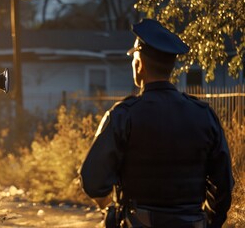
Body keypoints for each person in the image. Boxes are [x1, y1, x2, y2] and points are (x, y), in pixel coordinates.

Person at [80, 19, 234, 228]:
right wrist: (209, 221)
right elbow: (223, 184)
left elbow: (92, 180)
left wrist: (112, 208)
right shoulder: (204, 115)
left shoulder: (123, 116)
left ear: (139, 65)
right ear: (170, 67)